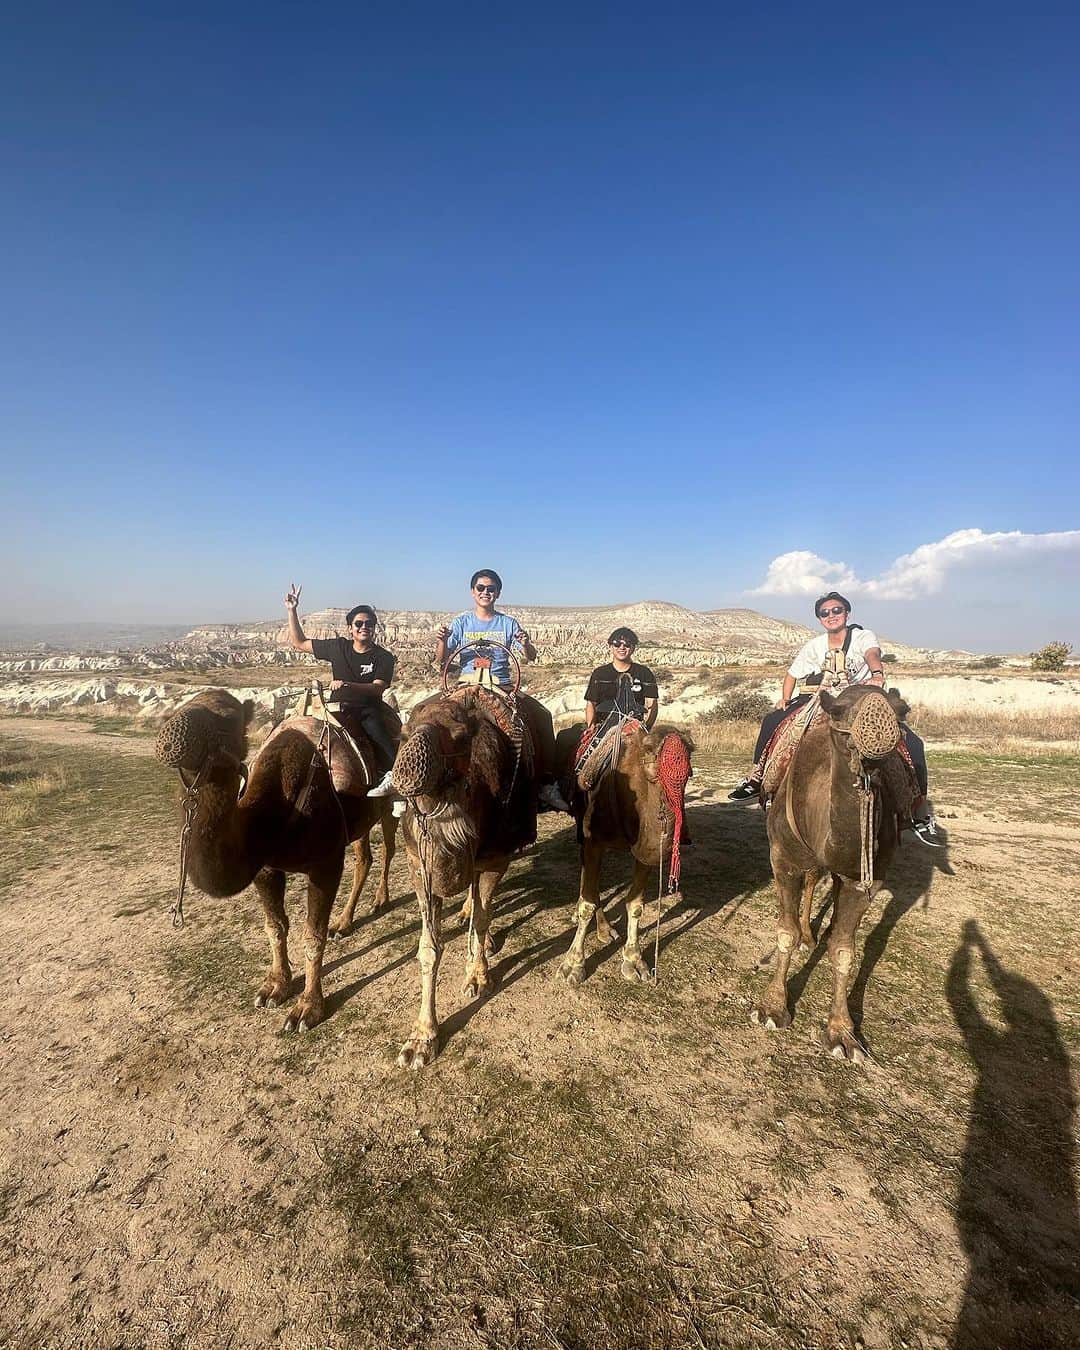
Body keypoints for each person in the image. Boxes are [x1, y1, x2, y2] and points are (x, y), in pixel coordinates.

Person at [728, 591, 939, 845]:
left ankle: (918, 808)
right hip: (821, 698)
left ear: (846, 613)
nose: (831, 615)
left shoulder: (862, 636)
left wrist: (877, 673)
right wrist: (785, 697)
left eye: (836, 610)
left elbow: (873, 654)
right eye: (825, 612)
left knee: (911, 742)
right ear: (819, 618)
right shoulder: (814, 645)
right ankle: (756, 778)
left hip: (857, 699)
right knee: (773, 721)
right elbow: (792, 674)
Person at [434, 569, 570, 812]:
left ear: (497, 593)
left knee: (542, 716)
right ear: (472, 592)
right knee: (423, 712)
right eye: (481, 588)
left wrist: (527, 644)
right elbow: (441, 660)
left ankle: (546, 783)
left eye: (491, 589)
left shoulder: (507, 623)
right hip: (466, 682)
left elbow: (529, 657)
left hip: (501, 684)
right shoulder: (461, 622)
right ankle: (410, 777)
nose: (486, 592)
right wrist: (442, 641)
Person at [282, 584, 399, 794]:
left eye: (369, 623)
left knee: (378, 733)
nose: (364, 627)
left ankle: (393, 776)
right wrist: (292, 610)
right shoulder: (338, 647)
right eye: (359, 623)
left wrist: (346, 684)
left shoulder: (383, 657)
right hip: (335, 707)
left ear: (374, 628)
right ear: (350, 628)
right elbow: (299, 642)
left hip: (366, 708)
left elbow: (378, 688)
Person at [584, 628, 658, 730]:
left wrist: (646, 727)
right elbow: (591, 703)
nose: (622, 647)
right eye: (617, 643)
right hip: (603, 727)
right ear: (610, 646)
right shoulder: (599, 674)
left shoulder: (644, 673)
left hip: (634, 727)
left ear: (633, 647)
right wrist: (591, 727)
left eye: (627, 644)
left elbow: (652, 703)